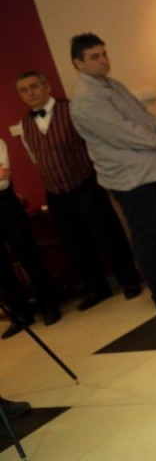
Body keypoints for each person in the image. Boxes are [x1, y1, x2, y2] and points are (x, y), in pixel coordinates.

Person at [69, 33, 156, 310]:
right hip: (129, 176)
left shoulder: (112, 85)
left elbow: (142, 115)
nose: (103, 60)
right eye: (95, 57)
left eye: (104, 54)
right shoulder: (87, 98)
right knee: (146, 235)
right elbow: (121, 133)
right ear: (79, 63)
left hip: (147, 168)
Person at [16, 71, 142, 311]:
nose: (30, 93)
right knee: (76, 244)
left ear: (46, 87)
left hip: (85, 183)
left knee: (108, 235)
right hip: (55, 193)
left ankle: (129, 280)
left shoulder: (72, 110)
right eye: (24, 90)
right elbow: (36, 158)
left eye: (34, 86)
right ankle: (97, 288)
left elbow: (92, 143)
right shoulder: (25, 125)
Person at [0, 137, 62, 337]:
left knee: (28, 255)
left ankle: (49, 306)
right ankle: (20, 315)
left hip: (5, 204)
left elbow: (3, 179)